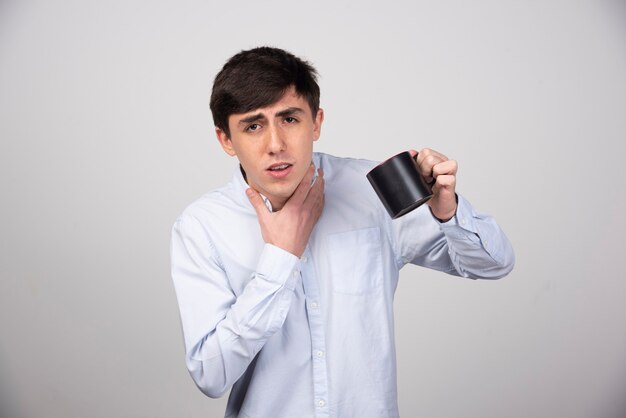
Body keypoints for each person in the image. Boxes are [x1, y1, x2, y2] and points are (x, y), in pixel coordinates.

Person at [170, 46, 515, 418]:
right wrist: (281, 257)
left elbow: (494, 264)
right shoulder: (201, 227)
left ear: (316, 123)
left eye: (289, 119)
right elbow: (210, 375)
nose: (275, 145)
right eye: (253, 126)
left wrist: (448, 212)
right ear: (225, 140)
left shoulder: (371, 192)